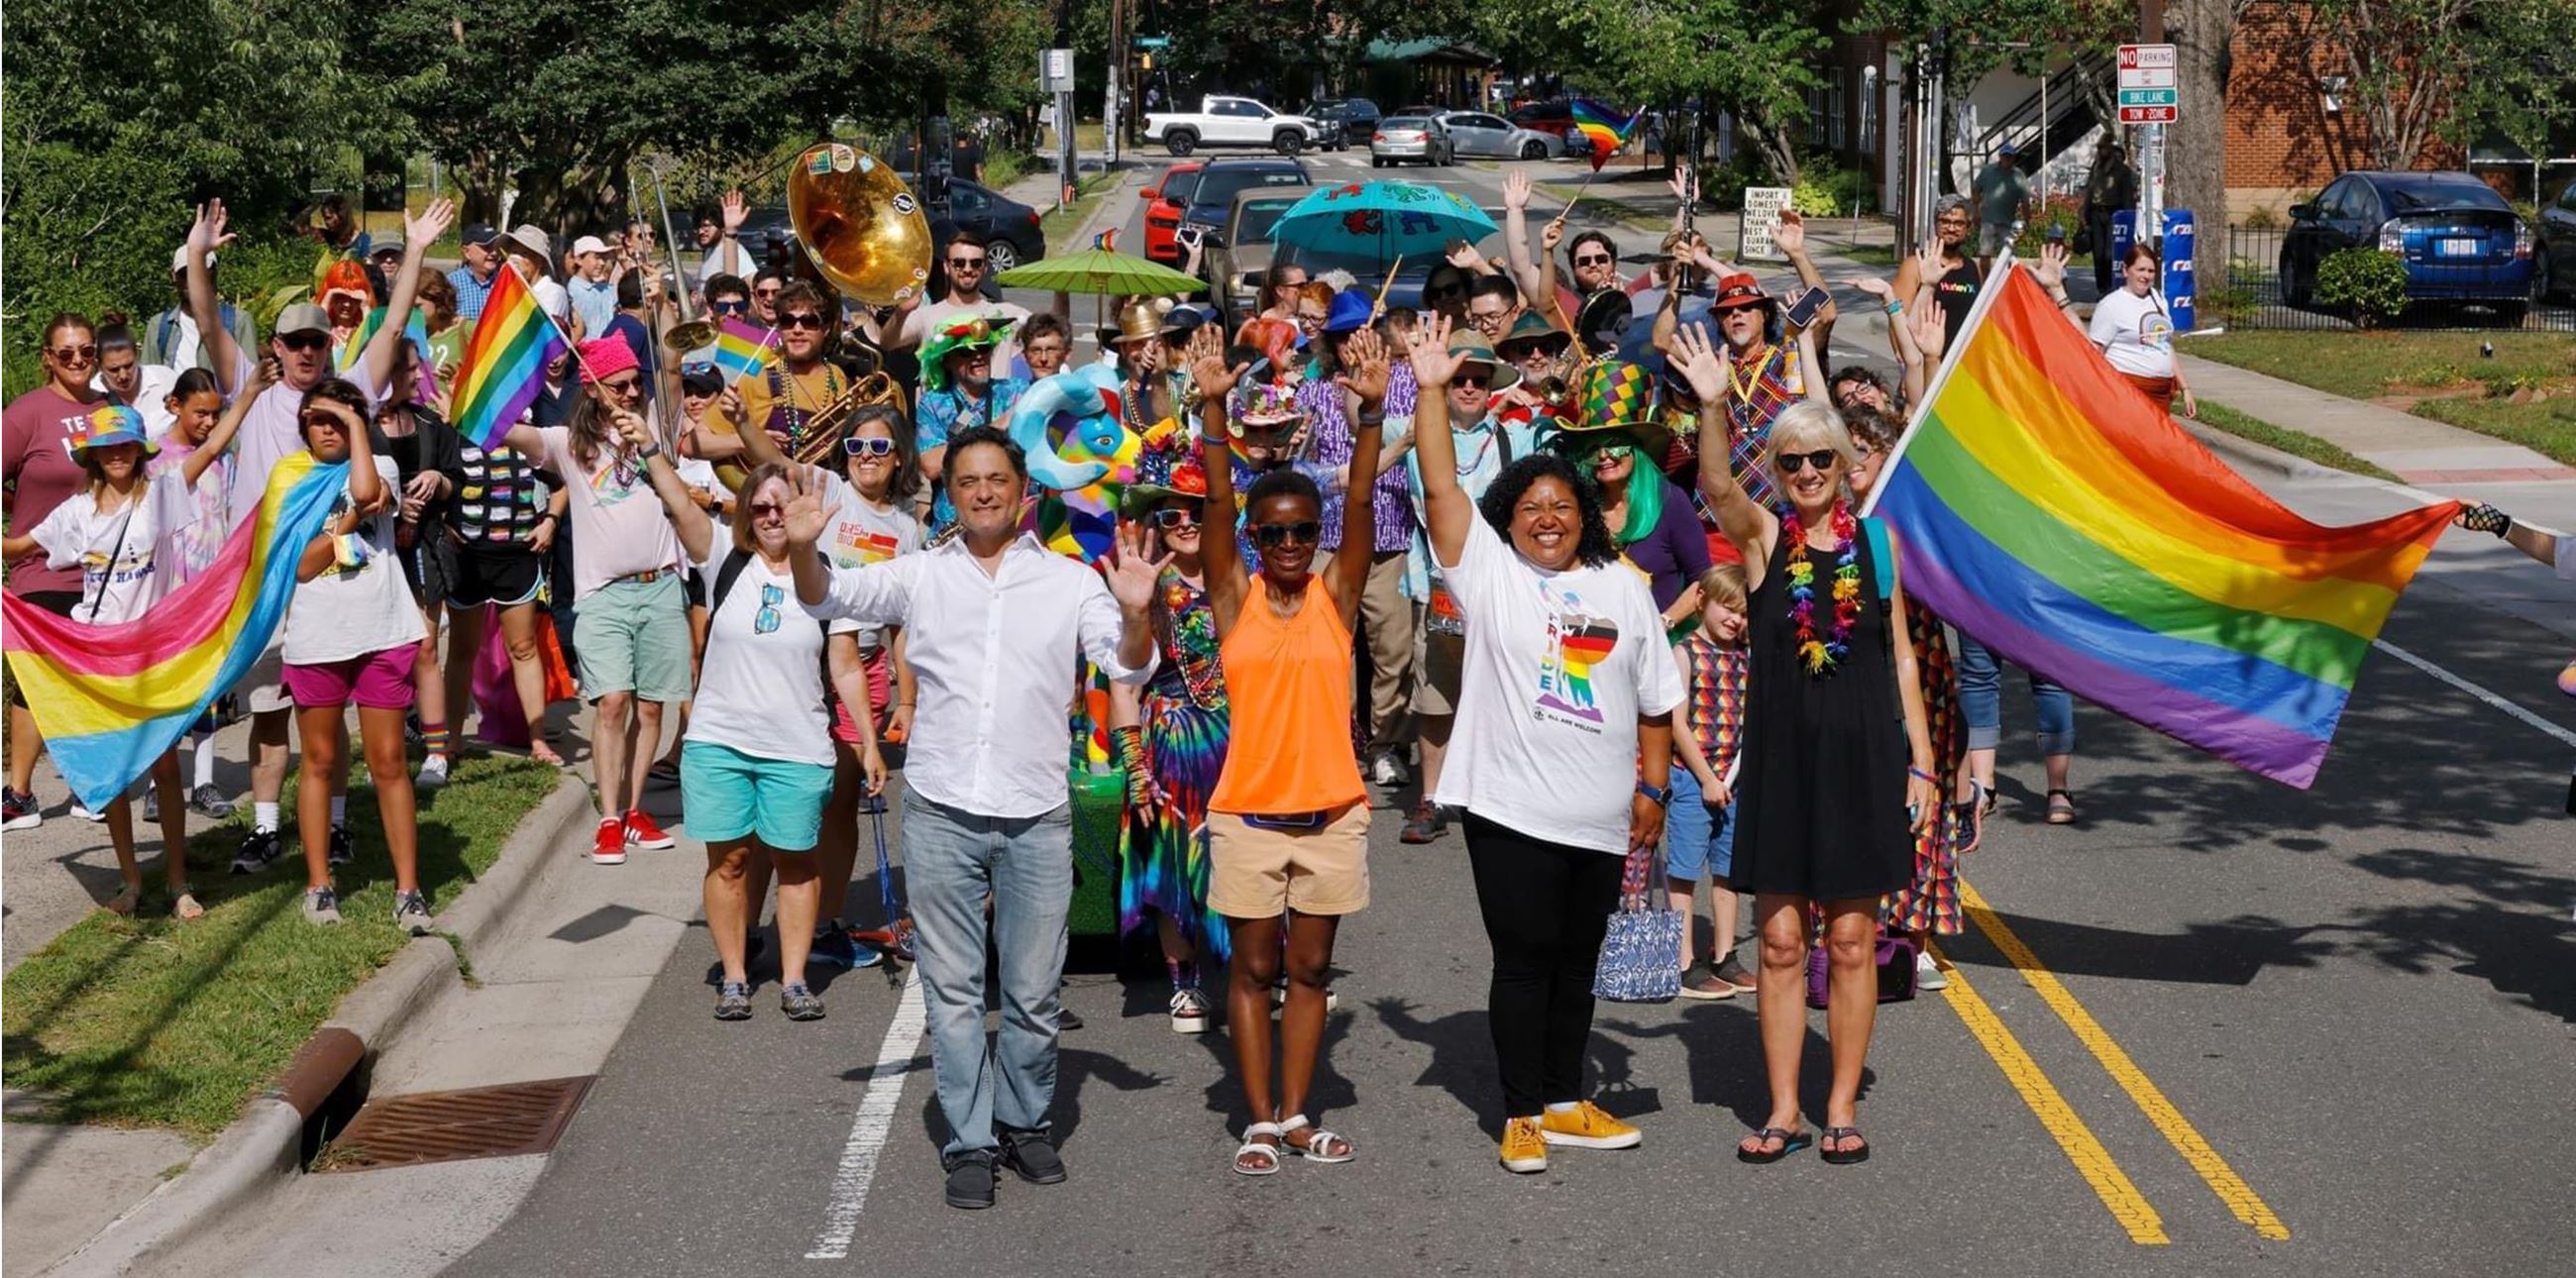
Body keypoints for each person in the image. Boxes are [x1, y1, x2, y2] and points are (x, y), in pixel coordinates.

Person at [784, 425, 1161, 1211]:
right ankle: (971, 1138)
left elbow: (1128, 664)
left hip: (1036, 816)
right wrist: (802, 549)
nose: (984, 491)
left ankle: (1025, 1121)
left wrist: (1134, 612)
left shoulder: (1070, 583)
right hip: (943, 812)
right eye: (968, 480)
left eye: (998, 479)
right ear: (949, 493)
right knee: (953, 990)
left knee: (1031, 991)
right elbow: (829, 596)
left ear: (1024, 493)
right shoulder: (920, 575)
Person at [1408, 313, 1683, 1177]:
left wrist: (1652, 792)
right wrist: (1426, 390)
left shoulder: (1623, 587)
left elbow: (1653, 701)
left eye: (1562, 506)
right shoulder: (1490, 575)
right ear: (1508, 520)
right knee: (1524, 963)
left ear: (1585, 519)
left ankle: (1566, 1097)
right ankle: (1522, 1110)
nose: (1549, 520)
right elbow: (1444, 488)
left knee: (1577, 964)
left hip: (1603, 814)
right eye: (1530, 509)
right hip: (1511, 811)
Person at [1681, 319, 1940, 1166]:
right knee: (1784, 941)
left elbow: (1900, 655)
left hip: (1863, 764)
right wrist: (1714, 406)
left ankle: (1840, 1106)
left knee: (1854, 940)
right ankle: (1784, 1107)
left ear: (1843, 467)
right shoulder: (1763, 544)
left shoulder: (1877, 544)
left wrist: (1923, 763)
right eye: (1789, 463)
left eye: (1818, 460)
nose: (1803, 475)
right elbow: (1718, 487)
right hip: (1786, 770)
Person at [189, 197, 452, 874]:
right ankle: (269, 826)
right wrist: (199, 255)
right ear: (275, 347)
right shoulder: (251, 394)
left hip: (339, 581)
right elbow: (209, 316)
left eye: (316, 341)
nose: (306, 351)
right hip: (272, 581)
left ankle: (334, 828)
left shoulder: (347, 393)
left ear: (330, 345)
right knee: (272, 714)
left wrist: (416, 249)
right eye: (294, 341)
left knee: (329, 721)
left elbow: (393, 325)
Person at [1183, 322, 1390, 1176]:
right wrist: (1212, 414)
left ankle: (1299, 1114)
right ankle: (1258, 1120)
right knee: (1253, 971)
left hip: (1332, 813)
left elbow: (1362, 506)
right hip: (1247, 817)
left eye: (1304, 531)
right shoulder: (1233, 596)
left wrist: (1372, 414)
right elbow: (1222, 508)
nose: (1293, 545)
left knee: (1311, 972)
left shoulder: (1336, 597)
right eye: (1276, 535)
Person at [634, 422, 884, 1018]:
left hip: (798, 747)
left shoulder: (830, 579)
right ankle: (737, 978)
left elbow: (846, 668)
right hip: (720, 743)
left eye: (783, 506)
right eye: (762, 507)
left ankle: (794, 979)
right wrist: (646, 446)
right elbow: (674, 495)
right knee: (730, 861)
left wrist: (869, 742)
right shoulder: (724, 557)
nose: (773, 516)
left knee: (797, 861)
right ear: (747, 513)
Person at [701, 396, 915, 973]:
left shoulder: (907, 527)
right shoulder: (827, 490)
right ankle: (747, 926)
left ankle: (824, 924)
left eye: (879, 448)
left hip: (859, 665)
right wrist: (745, 425)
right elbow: (775, 462)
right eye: (855, 446)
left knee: (836, 804)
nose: (866, 457)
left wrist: (908, 698)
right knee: (770, 803)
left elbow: (900, 622)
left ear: (899, 458)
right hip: (796, 654)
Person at [3, 404, 234, 914]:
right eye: (108, 446)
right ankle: (130, 882)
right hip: (98, 657)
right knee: (110, 776)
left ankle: (178, 882)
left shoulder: (165, 496)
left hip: (155, 655)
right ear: (92, 455)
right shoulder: (75, 513)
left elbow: (213, 447)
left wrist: (255, 391)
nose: (118, 453)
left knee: (166, 768)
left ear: (139, 448)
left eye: (126, 444)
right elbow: (18, 547)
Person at [495, 338, 689, 865]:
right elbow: (505, 433)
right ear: (594, 389)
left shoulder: (659, 432)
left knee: (651, 707)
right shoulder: (566, 442)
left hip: (662, 585)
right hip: (604, 593)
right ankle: (608, 817)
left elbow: (673, 363)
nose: (630, 393)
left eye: (635, 384)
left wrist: (657, 299)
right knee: (612, 703)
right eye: (619, 385)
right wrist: (471, 405)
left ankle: (633, 811)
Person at [277, 380, 435, 933]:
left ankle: (409, 890)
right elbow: (302, 565)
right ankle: (320, 886)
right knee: (318, 762)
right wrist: (345, 524)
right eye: (318, 420)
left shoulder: (381, 466)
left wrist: (355, 425)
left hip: (382, 630)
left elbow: (370, 493)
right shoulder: (290, 481)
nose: (329, 430)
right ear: (301, 426)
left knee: (390, 762)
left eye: (339, 420)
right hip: (318, 638)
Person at [1396, 329, 1549, 846]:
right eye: (1458, 378)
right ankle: (1432, 797)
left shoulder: (1517, 437)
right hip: (1435, 582)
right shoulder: (1411, 429)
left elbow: (1561, 450)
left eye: (1477, 380)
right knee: (1436, 696)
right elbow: (1357, 460)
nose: (1466, 388)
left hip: (1502, 588)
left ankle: (1507, 796)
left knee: (1510, 692)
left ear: (1491, 387)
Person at [1107, 443, 1231, 1033]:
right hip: (1169, 738)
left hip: (1236, 736)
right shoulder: (1142, 588)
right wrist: (1135, 765)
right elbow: (1123, 682)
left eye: (1196, 513)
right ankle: (1185, 982)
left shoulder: (1244, 580)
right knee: (1172, 858)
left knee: (1244, 854)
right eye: (1171, 516)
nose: (1184, 525)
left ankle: (1261, 968)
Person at [1843, 406, 1968, 987]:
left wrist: (1923, 356)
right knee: (1858, 802)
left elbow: (1929, 417)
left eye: (1868, 450)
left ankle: (1910, 937)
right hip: (1855, 675)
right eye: (1849, 448)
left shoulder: (1907, 516)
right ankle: (1851, 926)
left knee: (1920, 807)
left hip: (1919, 670)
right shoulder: (1836, 521)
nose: (1854, 460)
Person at [1299, 289, 1421, 790]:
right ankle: (1338, 741)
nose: (1354, 344)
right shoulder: (1313, 393)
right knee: (1331, 649)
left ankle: (1385, 743)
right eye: (1344, 336)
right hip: (1328, 536)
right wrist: (1386, 453)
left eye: (1362, 333)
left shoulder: (1411, 385)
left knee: (1393, 649)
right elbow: (1309, 472)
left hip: (1391, 533)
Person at [4, 312, 109, 828]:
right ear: (47, 357)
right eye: (66, 353)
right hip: (41, 570)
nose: (78, 362)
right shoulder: (27, 414)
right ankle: (19, 793)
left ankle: (90, 787)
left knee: (92, 679)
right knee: (39, 677)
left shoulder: (109, 408)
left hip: (105, 572)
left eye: (86, 352)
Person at [152, 368, 256, 818]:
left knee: (210, 690)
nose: (209, 424)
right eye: (200, 413)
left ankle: (205, 782)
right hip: (168, 594)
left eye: (216, 414)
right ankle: (163, 781)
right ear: (175, 405)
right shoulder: (154, 457)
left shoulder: (223, 459)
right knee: (169, 691)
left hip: (211, 591)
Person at [1545, 363, 1710, 631]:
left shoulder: (1669, 500)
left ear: (1637, 450)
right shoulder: (1580, 506)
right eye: (1593, 447)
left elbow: (1703, 579)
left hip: (1659, 649)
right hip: (1593, 651)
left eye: (1615, 445)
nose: (1603, 456)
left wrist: (1664, 622)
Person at [376, 334, 467, 788]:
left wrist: (437, 479)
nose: (419, 375)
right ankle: (386, 751)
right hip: (376, 550)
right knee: (386, 655)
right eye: (411, 368)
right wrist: (391, 505)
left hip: (425, 547)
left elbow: (457, 480)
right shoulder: (364, 426)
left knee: (426, 646)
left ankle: (436, 752)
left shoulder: (431, 423)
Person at [1667, 563, 1756, 997]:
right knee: (1684, 870)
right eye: (1727, 607)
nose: (1734, 619)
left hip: (1733, 780)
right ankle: (1683, 962)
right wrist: (1705, 777)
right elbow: (1678, 724)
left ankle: (1724, 955)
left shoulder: (1746, 656)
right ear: (1703, 602)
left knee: (1728, 872)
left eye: (1742, 613)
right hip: (1692, 779)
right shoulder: (1685, 653)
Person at [912, 315, 1026, 528]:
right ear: (948, 360)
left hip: (1009, 521)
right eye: (966, 352)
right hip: (951, 526)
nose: (978, 357)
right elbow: (931, 466)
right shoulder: (934, 403)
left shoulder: (1015, 391)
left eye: (984, 349)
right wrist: (997, 427)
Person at [859, 229, 1030, 371]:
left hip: (994, 411)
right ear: (946, 267)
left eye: (976, 263)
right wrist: (902, 312)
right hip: (938, 411)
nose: (967, 269)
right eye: (959, 263)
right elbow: (887, 343)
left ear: (985, 267)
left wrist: (1058, 296)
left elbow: (1051, 332)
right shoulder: (925, 316)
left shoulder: (1007, 314)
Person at [2076, 242, 2196, 418]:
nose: (2146, 276)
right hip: (2128, 392)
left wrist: (2185, 389)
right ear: (2126, 270)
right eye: (2140, 270)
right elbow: (2095, 353)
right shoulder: (2112, 305)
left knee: (2158, 445)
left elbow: (2166, 346)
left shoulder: (2158, 298)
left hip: (2161, 393)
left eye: (2151, 271)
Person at [142, 246, 259, 373]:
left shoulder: (238, 323)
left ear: (213, 274)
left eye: (199, 272)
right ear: (173, 277)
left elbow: (251, 381)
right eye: (184, 274)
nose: (192, 281)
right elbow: (150, 383)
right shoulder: (158, 327)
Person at [1895, 197, 1985, 351]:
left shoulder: (1973, 268)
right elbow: (1897, 320)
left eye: (1958, 223)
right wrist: (1908, 361)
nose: (1951, 228)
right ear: (1935, 224)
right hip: (1925, 362)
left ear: (1967, 228)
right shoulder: (1915, 264)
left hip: (1959, 365)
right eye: (1945, 221)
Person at [92, 320, 180, 440]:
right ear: (99, 365)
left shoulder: (165, 379)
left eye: (128, 366)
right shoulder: (92, 394)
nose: (123, 375)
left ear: (137, 355)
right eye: (114, 369)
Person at [2081, 139, 2139, 295]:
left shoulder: (2122, 171)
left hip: (2114, 213)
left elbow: (2127, 196)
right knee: (2098, 254)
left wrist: (2128, 217)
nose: (2100, 151)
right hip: (2096, 213)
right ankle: (2102, 287)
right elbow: (2090, 192)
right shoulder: (2096, 167)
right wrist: (2083, 214)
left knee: (2109, 253)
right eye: (2099, 148)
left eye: (2103, 148)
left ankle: (2111, 286)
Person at [1971, 143, 2029, 264]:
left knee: (2008, 256)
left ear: (2014, 158)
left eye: (2010, 156)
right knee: (1985, 254)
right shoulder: (1987, 171)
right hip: (1988, 220)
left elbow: (2025, 201)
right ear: (2000, 156)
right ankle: (1985, 281)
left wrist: (2026, 221)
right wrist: (1975, 211)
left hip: (2008, 222)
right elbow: (1976, 189)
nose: (2007, 158)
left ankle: (2007, 281)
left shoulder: (2019, 176)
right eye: (2005, 156)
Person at [447, 224, 504, 323]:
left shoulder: (506, 282)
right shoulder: (450, 284)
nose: (494, 253)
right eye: (487, 247)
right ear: (467, 252)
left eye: (495, 246)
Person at [566, 235, 619, 338]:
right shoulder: (571, 291)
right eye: (597, 258)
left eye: (603, 258)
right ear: (579, 260)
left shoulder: (606, 289)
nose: (602, 263)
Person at [1020, 312, 1071, 381]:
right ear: (1024, 355)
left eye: (1051, 350)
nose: (1043, 358)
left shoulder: (1079, 391)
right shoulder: (1012, 391)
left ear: (1066, 354)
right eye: (1036, 350)